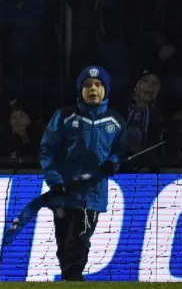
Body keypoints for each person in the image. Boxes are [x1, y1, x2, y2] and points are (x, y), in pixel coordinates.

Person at [40, 66, 125, 281]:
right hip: (64, 191)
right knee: (63, 241)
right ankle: (70, 277)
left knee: (79, 239)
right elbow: (47, 149)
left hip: (92, 194)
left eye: (98, 85)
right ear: (80, 89)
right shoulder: (64, 116)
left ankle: (74, 277)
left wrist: (113, 163)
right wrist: (55, 181)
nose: (93, 89)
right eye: (88, 85)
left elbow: (121, 151)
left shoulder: (116, 122)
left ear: (106, 90)